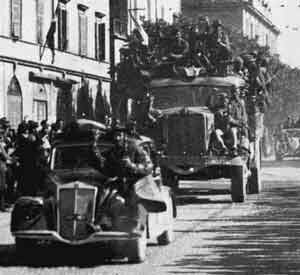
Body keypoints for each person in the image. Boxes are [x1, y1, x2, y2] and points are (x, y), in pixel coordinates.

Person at [228, 85, 248, 156]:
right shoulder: (229, 103)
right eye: (233, 92)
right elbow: (229, 116)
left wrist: (243, 122)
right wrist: (234, 122)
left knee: (245, 136)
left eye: (236, 92)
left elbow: (244, 114)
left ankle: (245, 150)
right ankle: (234, 148)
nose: (235, 93)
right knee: (233, 130)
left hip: (241, 124)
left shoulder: (241, 102)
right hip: (232, 125)